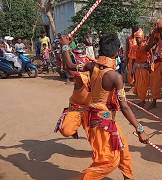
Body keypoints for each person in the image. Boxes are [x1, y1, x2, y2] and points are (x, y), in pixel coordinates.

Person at [60, 33, 149, 180]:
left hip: (103, 117)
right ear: (117, 51)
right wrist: (140, 130)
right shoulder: (115, 77)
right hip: (101, 121)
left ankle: (128, 177)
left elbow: (69, 66)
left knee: (122, 147)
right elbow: (125, 107)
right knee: (108, 162)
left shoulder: (92, 66)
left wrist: (64, 45)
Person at [132, 29, 151, 107]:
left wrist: (150, 64)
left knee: (143, 86)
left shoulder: (146, 46)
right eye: (136, 38)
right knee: (138, 85)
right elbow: (134, 59)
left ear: (142, 38)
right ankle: (142, 100)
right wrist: (132, 69)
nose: (137, 39)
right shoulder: (135, 47)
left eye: (138, 38)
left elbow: (151, 55)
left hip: (144, 69)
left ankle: (143, 101)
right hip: (137, 69)